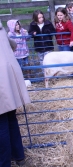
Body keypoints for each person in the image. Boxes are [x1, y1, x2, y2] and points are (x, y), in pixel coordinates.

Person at [0, 20, 31, 167]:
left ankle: (4, 163)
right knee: (10, 118)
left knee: (1, 124)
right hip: (8, 77)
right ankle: (19, 157)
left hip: (1, 81)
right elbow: (12, 45)